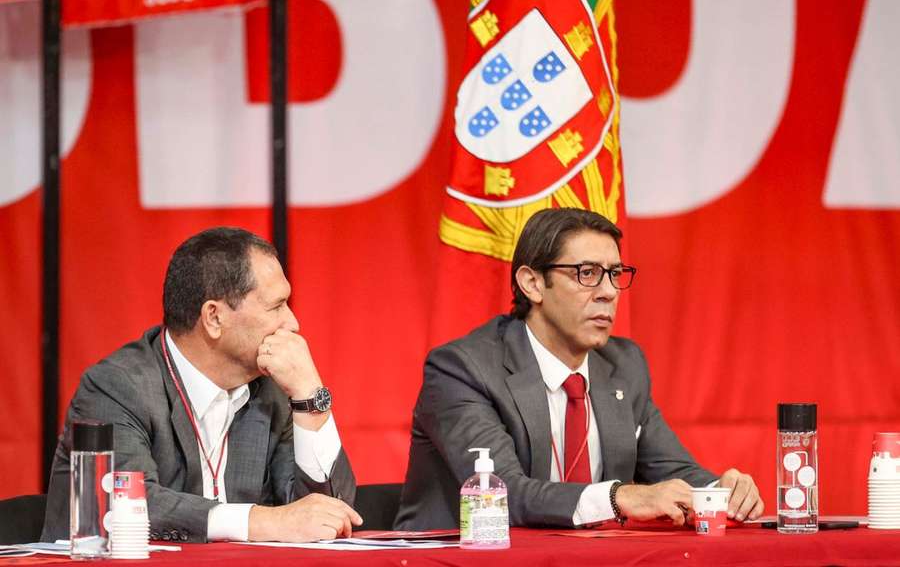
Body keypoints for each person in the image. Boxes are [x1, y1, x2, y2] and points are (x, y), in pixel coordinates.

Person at [394, 208, 763, 530]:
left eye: (615, 274)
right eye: (587, 273)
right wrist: (620, 498)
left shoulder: (624, 365)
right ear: (533, 283)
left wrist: (719, 491)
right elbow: (504, 493)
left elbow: (673, 471)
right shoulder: (464, 369)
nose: (609, 292)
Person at [42, 227, 361, 543]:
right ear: (214, 317)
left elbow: (329, 517)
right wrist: (260, 521)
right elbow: (122, 503)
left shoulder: (271, 388)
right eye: (277, 306)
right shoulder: (117, 387)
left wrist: (309, 396)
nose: (292, 323)